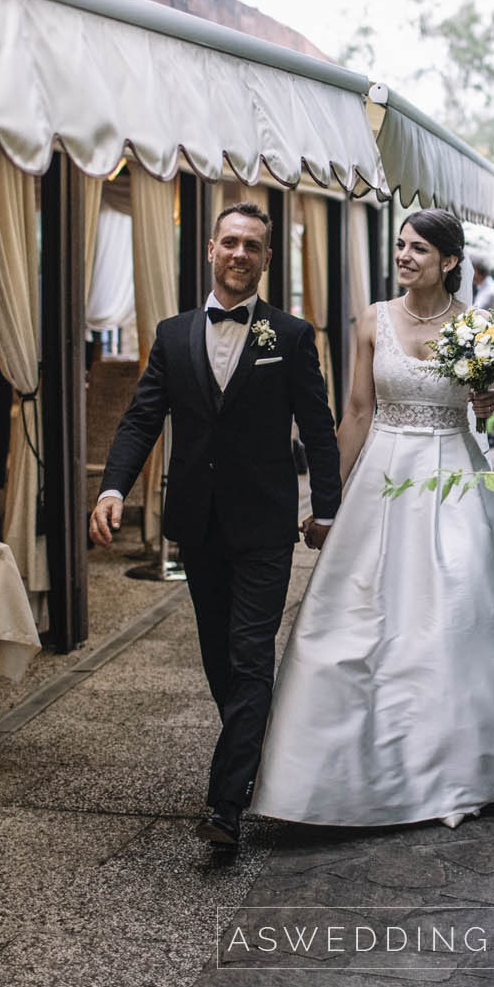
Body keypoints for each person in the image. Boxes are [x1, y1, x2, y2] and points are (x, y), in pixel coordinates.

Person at [247, 209, 494, 830]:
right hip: (384, 477)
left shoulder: (478, 327)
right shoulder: (373, 319)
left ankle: (469, 762)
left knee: (461, 605)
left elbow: (492, 410)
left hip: (455, 475)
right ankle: (357, 765)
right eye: (400, 245)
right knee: (364, 615)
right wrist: (326, 502)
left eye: (418, 248)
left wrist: (488, 396)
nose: (404, 256)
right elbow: (358, 412)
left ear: (449, 261)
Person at [89, 202, 341, 854]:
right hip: (196, 525)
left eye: (251, 245)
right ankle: (260, 749)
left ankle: (224, 806)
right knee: (218, 656)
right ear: (210, 249)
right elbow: (143, 418)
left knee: (251, 652)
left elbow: (317, 427)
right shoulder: (173, 335)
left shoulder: (288, 336)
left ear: (265, 259)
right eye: (229, 242)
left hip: (263, 525)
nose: (239, 254)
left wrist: (329, 507)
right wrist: (113, 486)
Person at [469, 253, 494, 448]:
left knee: (492, 390)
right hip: (488, 341)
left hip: (491, 342)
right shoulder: (485, 288)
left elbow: (485, 316)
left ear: (477, 271)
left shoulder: (490, 291)